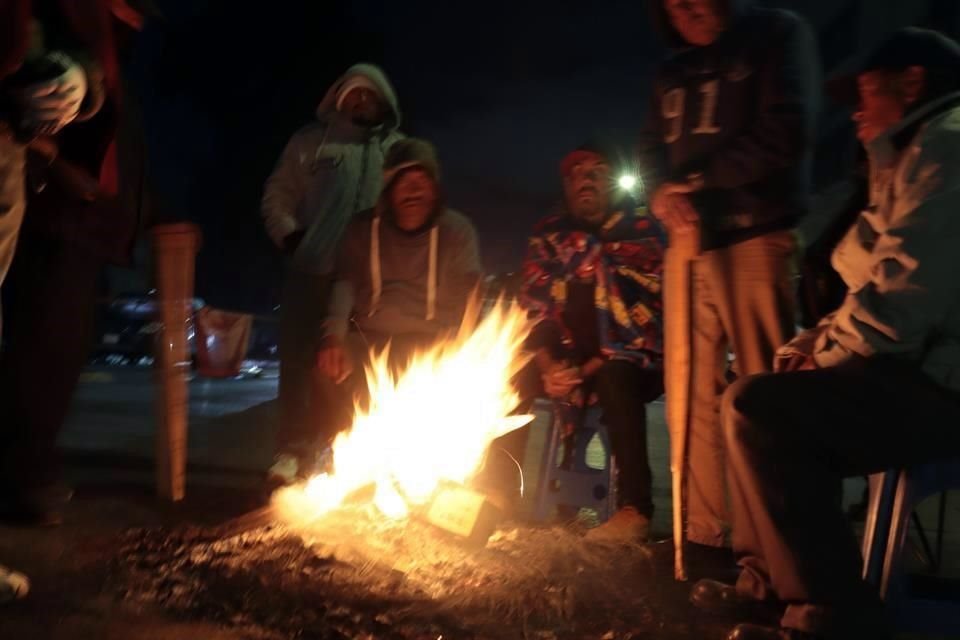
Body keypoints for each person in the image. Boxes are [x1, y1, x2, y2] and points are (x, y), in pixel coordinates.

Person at [691, 28, 960, 640]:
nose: (855, 110)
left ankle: (832, 618)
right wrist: (812, 344)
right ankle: (768, 584)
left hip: (945, 384)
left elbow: (902, 301)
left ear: (913, 82)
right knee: (758, 389)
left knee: (763, 410)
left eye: (865, 93)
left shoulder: (950, 146)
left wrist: (828, 355)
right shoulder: (908, 159)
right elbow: (863, 276)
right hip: (918, 368)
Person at [641, 0, 820, 571]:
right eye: (676, 3)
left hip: (754, 233)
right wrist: (657, 192)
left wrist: (694, 181)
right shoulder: (672, 71)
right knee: (690, 392)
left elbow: (786, 131)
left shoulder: (776, 35)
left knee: (762, 392)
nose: (691, 9)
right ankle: (702, 538)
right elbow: (650, 149)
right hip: (688, 244)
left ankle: (769, 552)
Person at [0, 0, 133, 526]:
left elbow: (71, 57)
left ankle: (28, 472)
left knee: (60, 344)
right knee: (44, 339)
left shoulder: (104, 20)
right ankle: (23, 474)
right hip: (46, 190)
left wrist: (81, 79)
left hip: (55, 191)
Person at [510, 145, 665, 542]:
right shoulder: (549, 237)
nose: (588, 178)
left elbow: (647, 325)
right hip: (563, 362)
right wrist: (548, 368)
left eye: (598, 170)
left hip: (635, 362)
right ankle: (498, 493)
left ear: (611, 184)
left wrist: (584, 370)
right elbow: (536, 312)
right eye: (578, 172)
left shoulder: (640, 233)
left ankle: (635, 509)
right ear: (567, 185)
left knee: (616, 375)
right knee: (508, 378)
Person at [262, 63, 404, 485]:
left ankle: (333, 446)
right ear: (339, 100)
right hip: (314, 271)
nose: (361, 101)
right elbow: (277, 195)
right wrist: (291, 238)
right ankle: (290, 449)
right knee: (299, 363)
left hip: (370, 283)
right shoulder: (312, 143)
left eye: (370, 95)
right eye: (353, 95)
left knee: (352, 370)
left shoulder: (397, 150)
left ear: (383, 102)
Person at [316, 138, 482, 449]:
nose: (414, 190)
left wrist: (464, 349)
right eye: (403, 181)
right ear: (389, 190)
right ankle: (341, 452)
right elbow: (345, 284)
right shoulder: (363, 229)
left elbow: (472, 292)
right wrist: (333, 338)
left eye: (422, 181)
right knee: (328, 366)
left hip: (434, 342)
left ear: (434, 189)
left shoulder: (457, 231)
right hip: (371, 338)